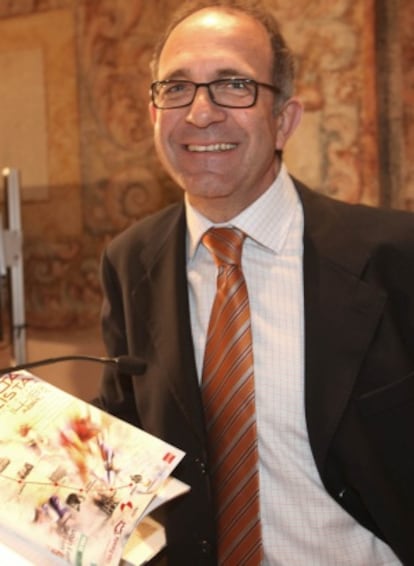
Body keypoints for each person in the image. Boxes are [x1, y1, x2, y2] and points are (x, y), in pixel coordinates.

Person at [98, 1, 414, 564]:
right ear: (153, 115)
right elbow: (127, 436)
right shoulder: (130, 262)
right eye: (176, 88)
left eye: (234, 85)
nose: (200, 113)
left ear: (284, 119)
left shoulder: (396, 257)